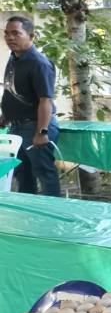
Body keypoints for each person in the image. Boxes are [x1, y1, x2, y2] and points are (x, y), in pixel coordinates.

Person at [3, 14, 60, 196]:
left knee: (44, 173)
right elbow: (14, 91)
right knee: (22, 173)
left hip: (35, 127)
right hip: (16, 126)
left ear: (31, 36)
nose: (10, 38)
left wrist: (42, 132)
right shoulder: (13, 58)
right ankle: (29, 211)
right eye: (6, 33)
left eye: (16, 33)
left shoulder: (39, 63)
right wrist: (6, 116)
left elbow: (45, 100)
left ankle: (53, 211)